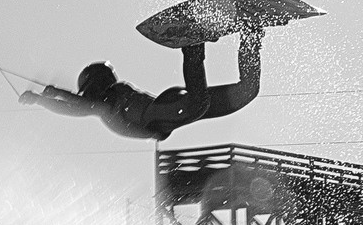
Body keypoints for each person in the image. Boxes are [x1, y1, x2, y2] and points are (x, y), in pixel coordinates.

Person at [20, 29, 263, 142]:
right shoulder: (105, 108)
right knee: (246, 92)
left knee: (213, 100)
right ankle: (243, 37)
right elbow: (76, 107)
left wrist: (48, 96)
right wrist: (43, 98)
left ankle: (239, 39)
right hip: (175, 111)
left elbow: (78, 103)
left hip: (175, 107)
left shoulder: (110, 98)